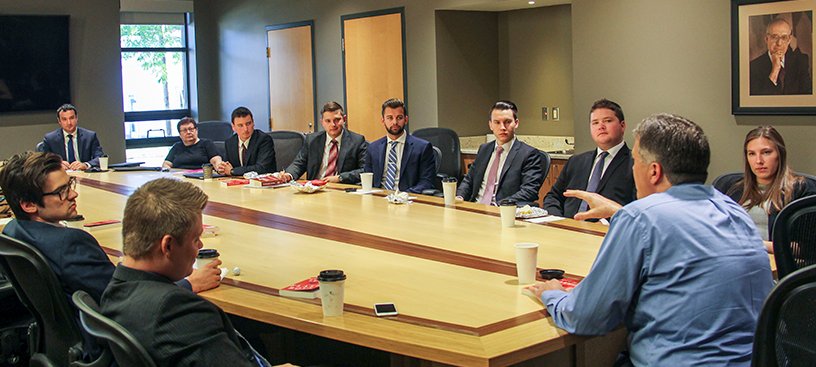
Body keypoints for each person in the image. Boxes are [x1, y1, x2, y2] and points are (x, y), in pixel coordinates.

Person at [526, 114, 774, 367]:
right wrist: (618, 211)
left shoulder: (640, 219)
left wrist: (554, 295)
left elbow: (585, 317)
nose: (633, 170)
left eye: (635, 162)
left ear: (654, 171)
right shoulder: (734, 212)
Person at [0, 152, 222, 359]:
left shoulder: (12, 231)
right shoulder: (70, 245)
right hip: (105, 349)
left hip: (57, 346)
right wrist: (188, 284)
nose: (73, 193)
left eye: (70, 184)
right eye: (62, 191)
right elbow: (123, 301)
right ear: (28, 205)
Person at [100, 178, 292, 367]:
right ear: (168, 246)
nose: (200, 246)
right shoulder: (177, 311)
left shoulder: (114, 290)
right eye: (195, 239)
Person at [714, 126, 816, 252]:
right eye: (751, 154)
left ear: (780, 154)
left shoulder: (802, 190)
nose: (758, 161)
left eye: (766, 152)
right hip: (733, 260)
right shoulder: (729, 188)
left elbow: (807, 249)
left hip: (776, 267)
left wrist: (757, 244)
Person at [543, 99, 636, 219]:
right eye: (595, 123)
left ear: (622, 126)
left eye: (607, 121)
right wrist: (558, 221)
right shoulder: (576, 162)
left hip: (607, 232)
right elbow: (553, 197)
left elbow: (638, 208)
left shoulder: (636, 164)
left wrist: (604, 224)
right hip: (567, 228)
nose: (601, 127)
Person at [456, 100, 544, 206]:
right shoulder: (484, 149)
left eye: (507, 122)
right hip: (475, 207)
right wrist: (459, 196)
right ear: (490, 125)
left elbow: (529, 191)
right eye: (497, 122)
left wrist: (501, 205)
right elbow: (469, 180)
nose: (502, 127)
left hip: (503, 211)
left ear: (516, 123)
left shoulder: (528, 154)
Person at [276, 101, 367, 184]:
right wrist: (288, 175)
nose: (333, 125)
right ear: (322, 122)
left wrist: (340, 178)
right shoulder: (312, 140)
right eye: (328, 121)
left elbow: (364, 170)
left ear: (344, 119)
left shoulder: (357, 141)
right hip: (315, 188)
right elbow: (299, 164)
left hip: (341, 189)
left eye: (337, 120)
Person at [364, 98, 435, 193]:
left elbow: (427, 181)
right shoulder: (373, 148)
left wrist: (403, 195)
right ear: (383, 120)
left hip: (407, 199)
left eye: (399, 117)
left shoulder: (422, 148)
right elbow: (367, 177)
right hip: (378, 199)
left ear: (406, 119)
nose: (395, 122)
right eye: (389, 118)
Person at [750, 18, 812, 95]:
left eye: (784, 38)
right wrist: (775, 70)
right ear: (766, 39)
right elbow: (757, 101)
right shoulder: (753, 67)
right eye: (774, 37)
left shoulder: (800, 61)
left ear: (789, 40)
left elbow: (808, 96)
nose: (779, 43)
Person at [40, 103, 105, 170]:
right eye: (64, 119)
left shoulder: (90, 136)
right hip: (61, 175)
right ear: (59, 121)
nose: (69, 123)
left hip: (84, 174)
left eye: (71, 118)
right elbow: (43, 161)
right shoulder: (50, 139)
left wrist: (86, 165)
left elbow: (100, 158)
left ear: (76, 118)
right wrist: (57, 164)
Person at [217, 106, 276, 176]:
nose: (245, 129)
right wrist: (222, 168)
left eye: (248, 124)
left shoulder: (264, 140)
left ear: (253, 123)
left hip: (262, 183)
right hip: (237, 184)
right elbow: (227, 167)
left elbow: (261, 168)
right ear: (233, 127)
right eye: (240, 125)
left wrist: (233, 171)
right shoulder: (230, 143)